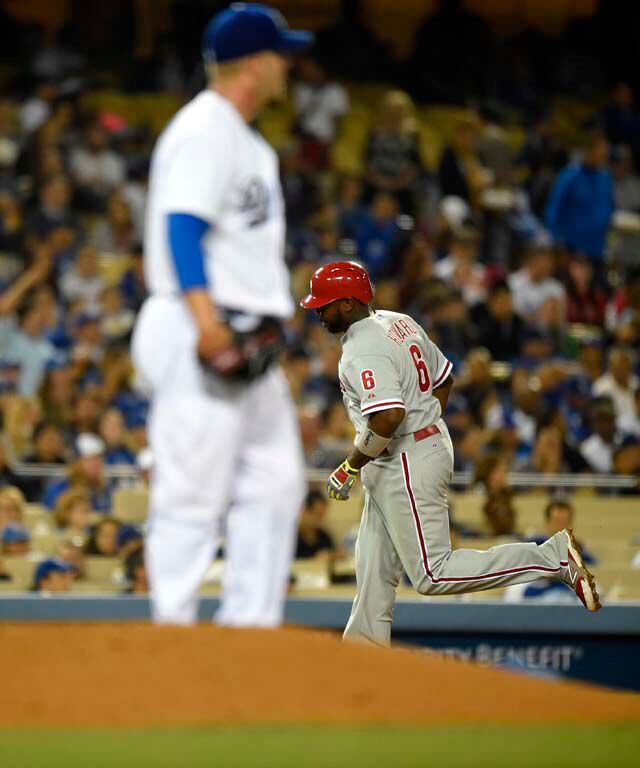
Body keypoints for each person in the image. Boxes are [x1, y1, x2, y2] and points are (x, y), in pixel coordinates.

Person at [300, 261, 600, 647]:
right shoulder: (398, 321)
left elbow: (389, 417)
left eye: (323, 305)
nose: (317, 313)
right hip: (417, 447)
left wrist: (350, 465)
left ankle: (551, 557)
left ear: (346, 304)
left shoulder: (362, 346)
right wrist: (426, 427)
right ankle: (361, 666)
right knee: (373, 574)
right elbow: (443, 380)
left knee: (433, 574)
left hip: (403, 457)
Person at [131, 4, 310, 627]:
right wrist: (206, 322)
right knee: (192, 490)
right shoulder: (206, 126)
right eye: (281, 54)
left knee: (276, 482)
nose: (288, 64)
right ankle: (171, 630)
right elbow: (183, 227)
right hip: (198, 324)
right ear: (256, 63)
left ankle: (249, 636)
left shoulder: (248, 141)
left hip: (246, 333)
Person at [295, 490, 336, 559]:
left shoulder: (324, 537)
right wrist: (314, 559)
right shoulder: (291, 538)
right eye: (317, 514)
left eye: (322, 515)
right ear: (304, 511)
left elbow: (333, 553)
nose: (320, 520)